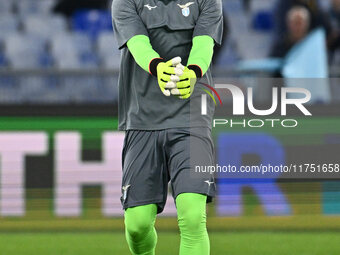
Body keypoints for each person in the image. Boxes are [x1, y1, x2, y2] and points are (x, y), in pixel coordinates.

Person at [111, 0, 223, 254]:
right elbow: (137, 44)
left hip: (192, 117)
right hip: (142, 118)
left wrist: (193, 72)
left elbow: (204, 44)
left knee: (193, 218)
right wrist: (158, 67)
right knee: (137, 225)